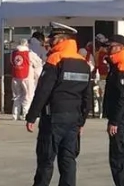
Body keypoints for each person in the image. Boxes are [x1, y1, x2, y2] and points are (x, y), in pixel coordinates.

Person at [25, 23, 92, 186]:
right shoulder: (83, 63)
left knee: (46, 160)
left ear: (62, 39)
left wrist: (31, 116)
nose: (49, 40)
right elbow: (87, 96)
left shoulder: (55, 59)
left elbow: (43, 91)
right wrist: (82, 121)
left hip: (54, 118)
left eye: (53, 37)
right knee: (68, 161)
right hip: (74, 120)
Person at [102, 34, 124, 186]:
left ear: (120, 48)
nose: (108, 50)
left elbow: (123, 98)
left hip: (122, 120)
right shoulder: (119, 66)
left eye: (111, 47)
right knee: (123, 156)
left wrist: (115, 121)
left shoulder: (123, 67)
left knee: (120, 158)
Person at [11, 38, 44, 121]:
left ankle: (15, 115)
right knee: (28, 96)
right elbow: (38, 62)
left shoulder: (14, 53)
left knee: (17, 96)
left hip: (15, 76)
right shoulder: (30, 54)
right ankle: (26, 114)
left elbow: (11, 62)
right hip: (27, 77)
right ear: (27, 44)